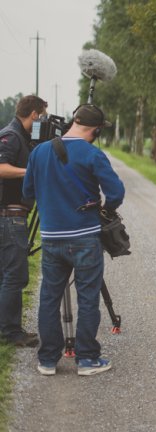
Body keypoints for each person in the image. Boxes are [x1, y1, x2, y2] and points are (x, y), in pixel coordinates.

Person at [23, 104, 125, 376]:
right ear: (95, 130)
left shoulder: (39, 152)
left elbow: (28, 192)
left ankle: (47, 360)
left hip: (52, 238)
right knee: (88, 298)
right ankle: (87, 359)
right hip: (84, 237)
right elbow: (116, 192)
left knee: (49, 298)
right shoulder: (93, 153)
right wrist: (106, 209)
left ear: (73, 121)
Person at [0, 95, 48, 348]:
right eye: (43, 115)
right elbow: (1, 167)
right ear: (34, 114)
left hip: (13, 215)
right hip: (10, 217)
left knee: (6, 275)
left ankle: (6, 328)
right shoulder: (11, 135)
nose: (43, 120)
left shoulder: (23, 138)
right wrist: (31, 171)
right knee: (14, 277)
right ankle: (11, 332)